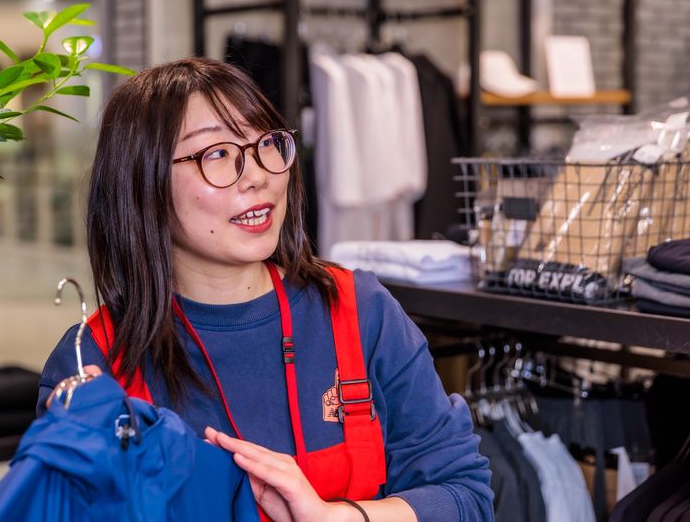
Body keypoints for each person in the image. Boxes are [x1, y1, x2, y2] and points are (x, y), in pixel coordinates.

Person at [38, 57, 493, 522]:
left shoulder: (359, 312)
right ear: (143, 182)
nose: (258, 174)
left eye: (266, 144)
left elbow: (465, 498)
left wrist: (336, 518)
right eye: (217, 153)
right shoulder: (94, 363)